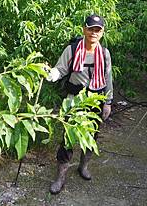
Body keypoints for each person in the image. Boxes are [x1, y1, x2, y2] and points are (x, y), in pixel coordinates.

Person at [45, 14, 113, 194]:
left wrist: (108, 102)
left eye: (97, 30)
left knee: (91, 137)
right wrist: (51, 74)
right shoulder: (73, 49)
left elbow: (108, 79)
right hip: (73, 102)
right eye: (91, 28)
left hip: (96, 101)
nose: (94, 33)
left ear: (102, 33)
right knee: (68, 139)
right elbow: (60, 69)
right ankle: (60, 178)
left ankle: (83, 167)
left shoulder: (104, 54)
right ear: (84, 29)